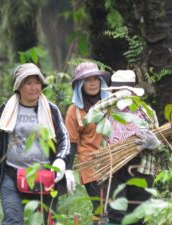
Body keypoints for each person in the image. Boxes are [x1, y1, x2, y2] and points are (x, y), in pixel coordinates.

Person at [0, 63, 72, 225]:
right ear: (19, 86)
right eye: (28, 83)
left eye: (37, 82)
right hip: (12, 176)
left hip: (45, 177)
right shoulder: (7, 109)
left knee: (46, 221)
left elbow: (64, 138)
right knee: (13, 220)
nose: (33, 87)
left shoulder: (51, 110)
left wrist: (61, 160)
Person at [86, 70, 163, 225]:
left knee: (137, 216)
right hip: (113, 167)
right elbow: (90, 115)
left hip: (141, 168)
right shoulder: (107, 110)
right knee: (115, 214)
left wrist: (154, 143)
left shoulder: (147, 112)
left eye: (126, 93)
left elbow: (161, 146)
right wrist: (116, 98)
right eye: (117, 92)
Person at [65, 61, 111, 224]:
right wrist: (68, 169)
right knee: (101, 206)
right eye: (88, 80)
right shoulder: (75, 111)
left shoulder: (110, 104)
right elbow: (71, 142)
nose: (92, 83)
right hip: (90, 163)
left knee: (115, 206)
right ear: (80, 85)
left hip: (115, 159)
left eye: (95, 79)